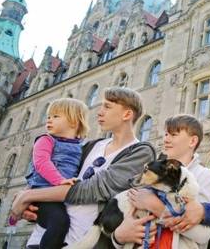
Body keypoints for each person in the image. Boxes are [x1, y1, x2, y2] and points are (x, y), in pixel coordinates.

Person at [10, 87, 157, 247]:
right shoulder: (90, 146)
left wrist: (28, 196)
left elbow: (92, 189)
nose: (99, 112)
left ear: (127, 114)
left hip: (83, 243)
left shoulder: (141, 152)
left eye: (107, 107)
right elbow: (58, 174)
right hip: (42, 239)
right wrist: (31, 201)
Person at [112, 114, 210, 248]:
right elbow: (126, 227)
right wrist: (118, 237)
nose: (166, 140)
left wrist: (156, 207)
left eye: (173, 135)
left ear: (192, 141)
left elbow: (203, 235)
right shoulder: (151, 172)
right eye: (166, 134)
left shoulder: (205, 176)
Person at [24, 98, 89, 248]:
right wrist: (59, 180)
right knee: (60, 222)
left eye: (56, 116)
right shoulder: (46, 140)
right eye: (49, 116)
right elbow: (41, 163)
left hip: (59, 197)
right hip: (43, 195)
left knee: (64, 223)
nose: (49, 120)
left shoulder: (80, 145)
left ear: (74, 121)